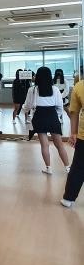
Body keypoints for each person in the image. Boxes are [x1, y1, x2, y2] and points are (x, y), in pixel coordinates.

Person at [22, 67, 70, 175]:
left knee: (44, 145)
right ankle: (68, 168)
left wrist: (24, 111)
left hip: (39, 117)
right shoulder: (55, 89)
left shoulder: (32, 90)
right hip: (52, 116)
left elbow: (27, 105)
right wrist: (56, 116)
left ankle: (48, 168)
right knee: (59, 144)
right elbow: (60, 106)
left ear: (37, 77)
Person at [61, 78, 84, 208]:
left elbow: (74, 112)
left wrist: (74, 133)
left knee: (78, 167)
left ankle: (68, 198)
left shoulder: (80, 86)